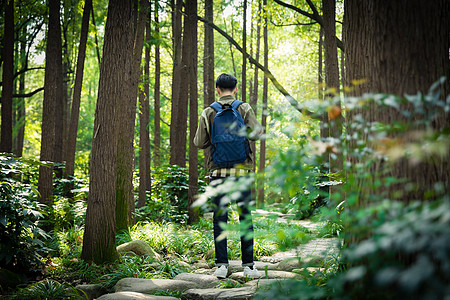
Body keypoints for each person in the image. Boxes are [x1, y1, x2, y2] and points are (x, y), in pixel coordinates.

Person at [194, 73, 263, 279]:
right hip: (242, 172)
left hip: (218, 173)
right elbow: (257, 133)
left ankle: (221, 266)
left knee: (220, 217)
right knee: (245, 216)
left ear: (217, 89)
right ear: (235, 89)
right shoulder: (244, 108)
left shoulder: (209, 111)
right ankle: (249, 266)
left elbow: (199, 142)